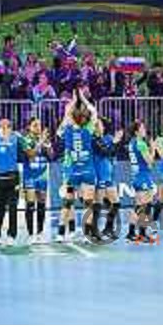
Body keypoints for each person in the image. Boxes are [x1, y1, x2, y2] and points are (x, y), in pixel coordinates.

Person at [57, 89, 98, 243]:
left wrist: (74, 100)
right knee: (88, 204)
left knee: (67, 203)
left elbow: (66, 114)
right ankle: (87, 234)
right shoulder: (88, 129)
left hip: (72, 171)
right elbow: (94, 113)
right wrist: (83, 99)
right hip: (87, 170)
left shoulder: (67, 129)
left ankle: (61, 233)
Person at [0, 118, 23, 246]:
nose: (4, 128)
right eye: (2, 125)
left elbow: (11, 145)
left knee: (13, 207)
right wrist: (4, 138)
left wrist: (9, 137)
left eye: (7, 125)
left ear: (10, 127)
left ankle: (12, 235)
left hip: (13, 176)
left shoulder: (15, 137)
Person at [21, 118, 52, 244]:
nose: (38, 128)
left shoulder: (45, 140)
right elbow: (31, 154)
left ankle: (40, 232)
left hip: (43, 175)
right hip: (30, 175)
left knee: (42, 204)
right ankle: (30, 234)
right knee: (30, 204)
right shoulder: (25, 140)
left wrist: (48, 146)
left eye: (39, 125)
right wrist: (40, 141)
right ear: (29, 127)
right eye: (35, 125)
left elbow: (51, 156)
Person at [92, 119, 124, 240]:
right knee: (98, 204)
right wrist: (115, 142)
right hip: (99, 174)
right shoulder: (93, 140)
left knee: (115, 203)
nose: (97, 127)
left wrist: (117, 141)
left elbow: (113, 153)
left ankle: (108, 228)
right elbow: (105, 152)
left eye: (99, 124)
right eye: (95, 125)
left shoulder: (108, 138)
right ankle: (94, 231)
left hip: (108, 175)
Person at [127, 120, 158, 243]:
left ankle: (130, 232)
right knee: (146, 206)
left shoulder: (131, 143)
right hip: (143, 176)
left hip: (136, 176)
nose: (145, 130)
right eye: (142, 128)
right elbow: (150, 162)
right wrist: (153, 148)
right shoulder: (141, 144)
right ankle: (142, 233)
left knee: (139, 206)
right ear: (136, 131)